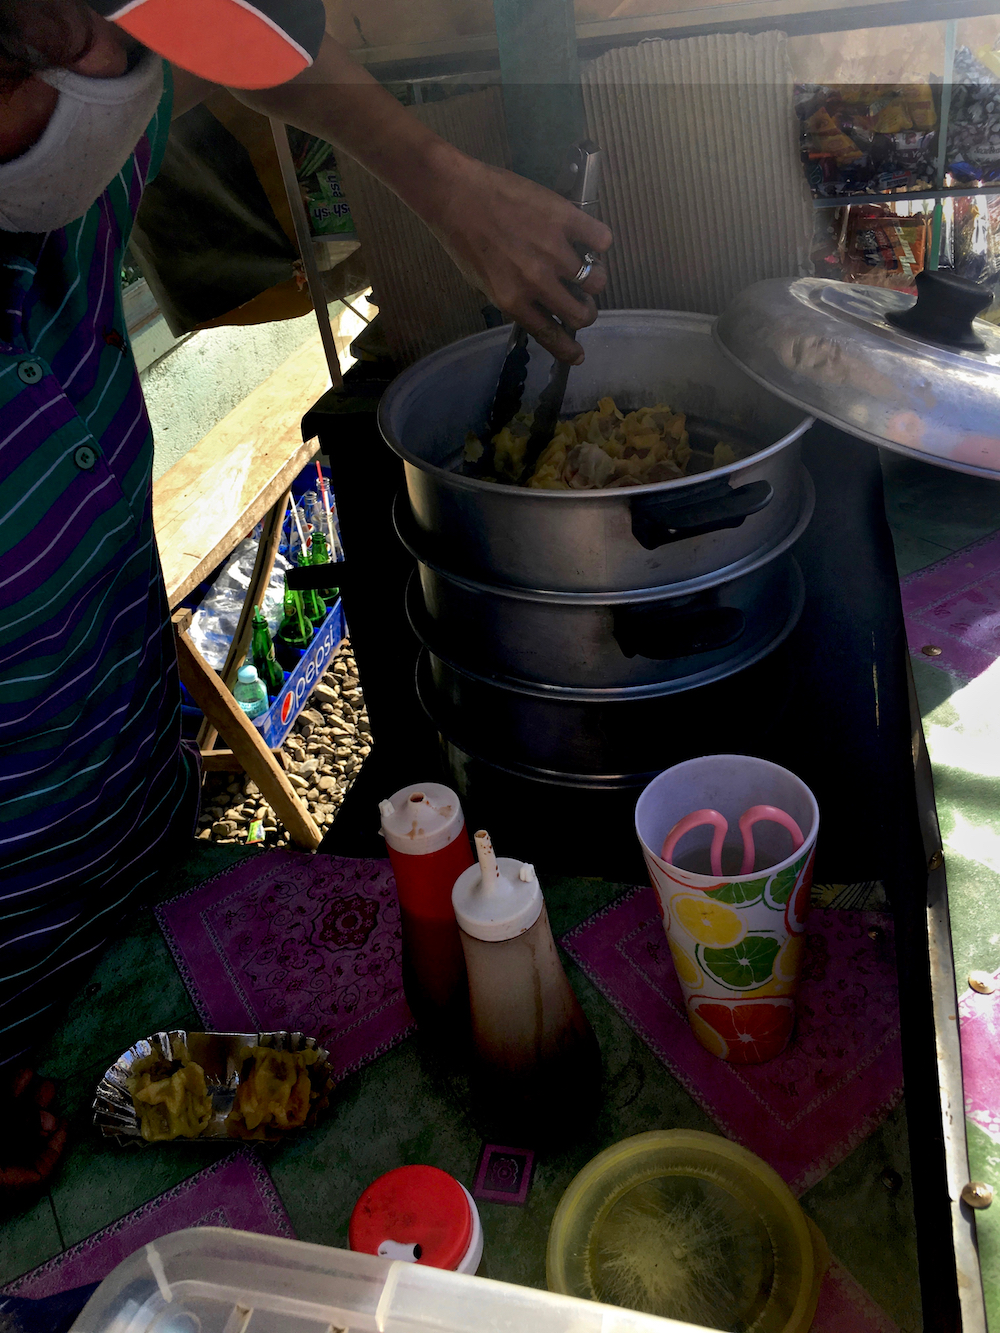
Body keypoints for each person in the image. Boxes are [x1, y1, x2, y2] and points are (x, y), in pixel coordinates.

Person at [0, 0, 611, 1193]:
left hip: (137, 838)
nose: (126, 91)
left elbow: (261, 58)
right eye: (83, 52)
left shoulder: (47, 170)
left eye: (140, 44)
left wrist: (441, 180)